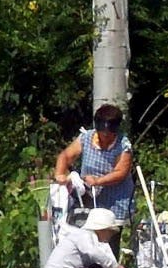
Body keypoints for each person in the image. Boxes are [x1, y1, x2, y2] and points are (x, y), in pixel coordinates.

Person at [54, 103, 135, 257]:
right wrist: (60, 175)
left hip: (115, 198)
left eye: (109, 134)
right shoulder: (86, 138)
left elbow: (120, 172)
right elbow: (65, 156)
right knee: (86, 235)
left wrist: (98, 181)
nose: (106, 137)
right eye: (103, 133)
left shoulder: (123, 145)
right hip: (89, 197)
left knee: (108, 239)